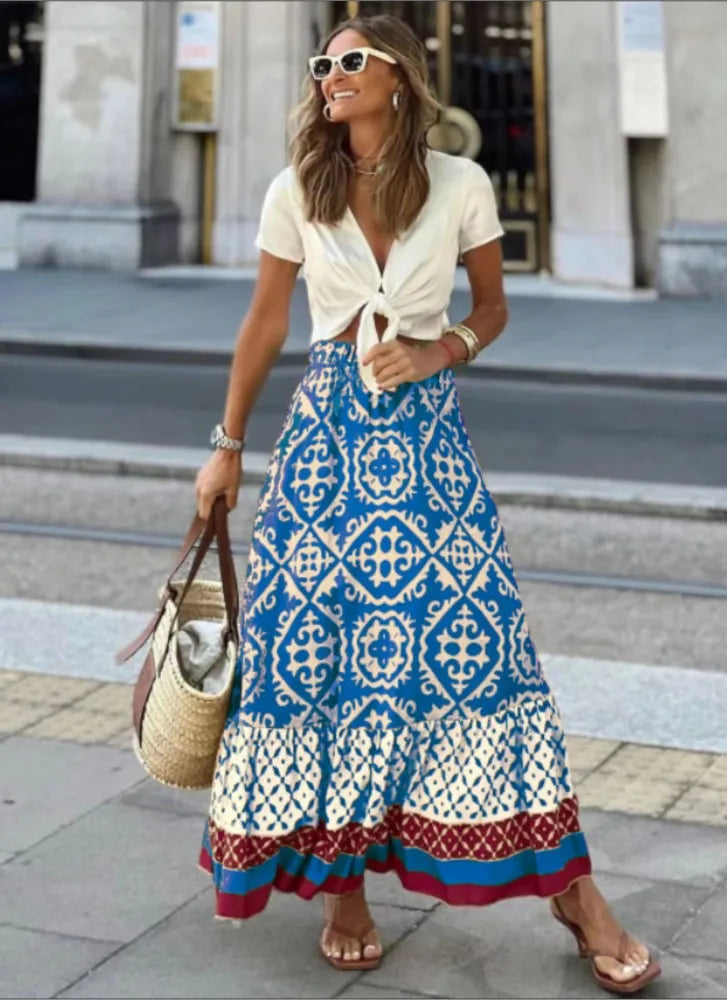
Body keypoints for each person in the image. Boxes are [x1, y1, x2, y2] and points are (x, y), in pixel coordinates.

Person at [194, 13, 661, 995]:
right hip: (324, 453)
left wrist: (442, 347)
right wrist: (225, 447)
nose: (332, 76)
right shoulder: (297, 189)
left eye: (351, 61)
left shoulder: (462, 184)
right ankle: (344, 888)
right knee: (322, 659)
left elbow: (491, 307)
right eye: (323, 62)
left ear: (400, 77)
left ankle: (574, 892)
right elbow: (264, 322)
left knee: (485, 649)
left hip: (426, 451)